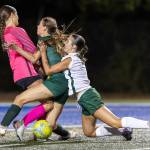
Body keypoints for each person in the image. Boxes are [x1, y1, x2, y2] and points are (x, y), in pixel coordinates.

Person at [39, 33, 150, 139]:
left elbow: (48, 71)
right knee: (89, 132)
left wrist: (43, 52)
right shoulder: (72, 57)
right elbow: (59, 50)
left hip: (87, 97)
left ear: (73, 47)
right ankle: (123, 131)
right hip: (84, 98)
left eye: (67, 41)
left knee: (116, 122)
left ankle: (147, 124)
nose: (65, 42)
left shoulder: (70, 59)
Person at [0, 5, 70, 141]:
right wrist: (40, 60)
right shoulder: (17, 30)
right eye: (17, 14)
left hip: (18, 74)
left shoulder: (5, 33)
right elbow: (32, 51)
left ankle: (59, 134)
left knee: (47, 105)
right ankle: (11, 125)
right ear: (12, 15)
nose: (18, 17)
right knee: (48, 104)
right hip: (28, 73)